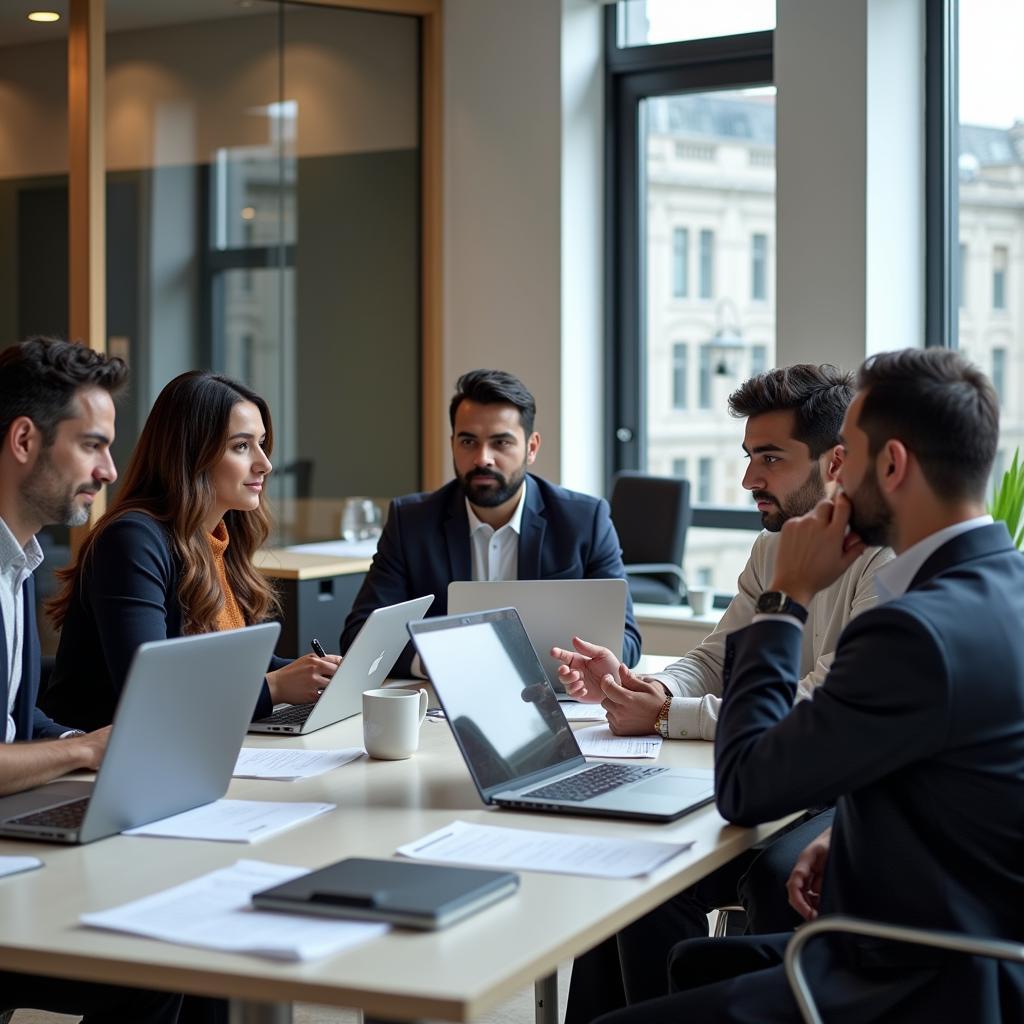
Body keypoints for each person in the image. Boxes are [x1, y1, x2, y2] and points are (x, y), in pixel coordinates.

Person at [597, 347, 1024, 1024]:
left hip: (919, 979)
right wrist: (855, 830)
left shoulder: (914, 630)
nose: (837, 473)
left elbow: (746, 787)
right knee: (667, 954)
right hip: (969, 947)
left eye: (845, 455)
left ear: (891, 467)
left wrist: (787, 599)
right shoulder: (1003, 589)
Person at [557, 364, 893, 1021]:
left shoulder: (885, 561)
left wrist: (664, 718)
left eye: (770, 458)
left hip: (840, 792)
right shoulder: (774, 548)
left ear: (836, 463)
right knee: (638, 874)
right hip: (776, 780)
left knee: (770, 878)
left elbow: (818, 703)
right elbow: (718, 655)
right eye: (748, 457)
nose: (748, 480)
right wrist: (644, 684)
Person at [0, 336, 182, 1023]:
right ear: (25, 439)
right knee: (151, 968)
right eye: (93, 445)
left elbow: (20, 724)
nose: (110, 469)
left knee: (170, 940)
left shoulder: (17, 562)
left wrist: (90, 738)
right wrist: (84, 752)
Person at [41, 370, 341, 733]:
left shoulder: (217, 537)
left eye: (262, 443)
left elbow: (236, 660)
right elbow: (150, 689)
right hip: (104, 760)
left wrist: (321, 672)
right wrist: (275, 687)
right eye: (241, 446)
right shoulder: (132, 540)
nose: (265, 463)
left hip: (192, 741)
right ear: (191, 455)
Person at [340, 369, 641, 677]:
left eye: (501, 442)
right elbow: (360, 637)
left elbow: (627, 641)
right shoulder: (412, 521)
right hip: (443, 703)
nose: (483, 458)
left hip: (557, 697)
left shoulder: (584, 520)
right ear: (453, 444)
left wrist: (577, 668)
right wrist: (439, 663)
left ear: (532, 447)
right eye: (468, 441)